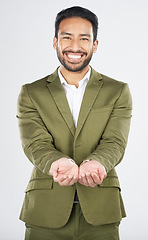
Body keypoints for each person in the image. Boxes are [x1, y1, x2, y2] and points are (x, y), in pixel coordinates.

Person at [17, 6, 132, 240]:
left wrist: (97, 162)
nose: (75, 47)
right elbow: (35, 144)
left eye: (84, 38)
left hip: (101, 210)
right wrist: (58, 162)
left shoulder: (118, 91)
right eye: (67, 37)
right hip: (45, 211)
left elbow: (115, 141)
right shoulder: (31, 92)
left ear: (95, 45)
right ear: (55, 42)